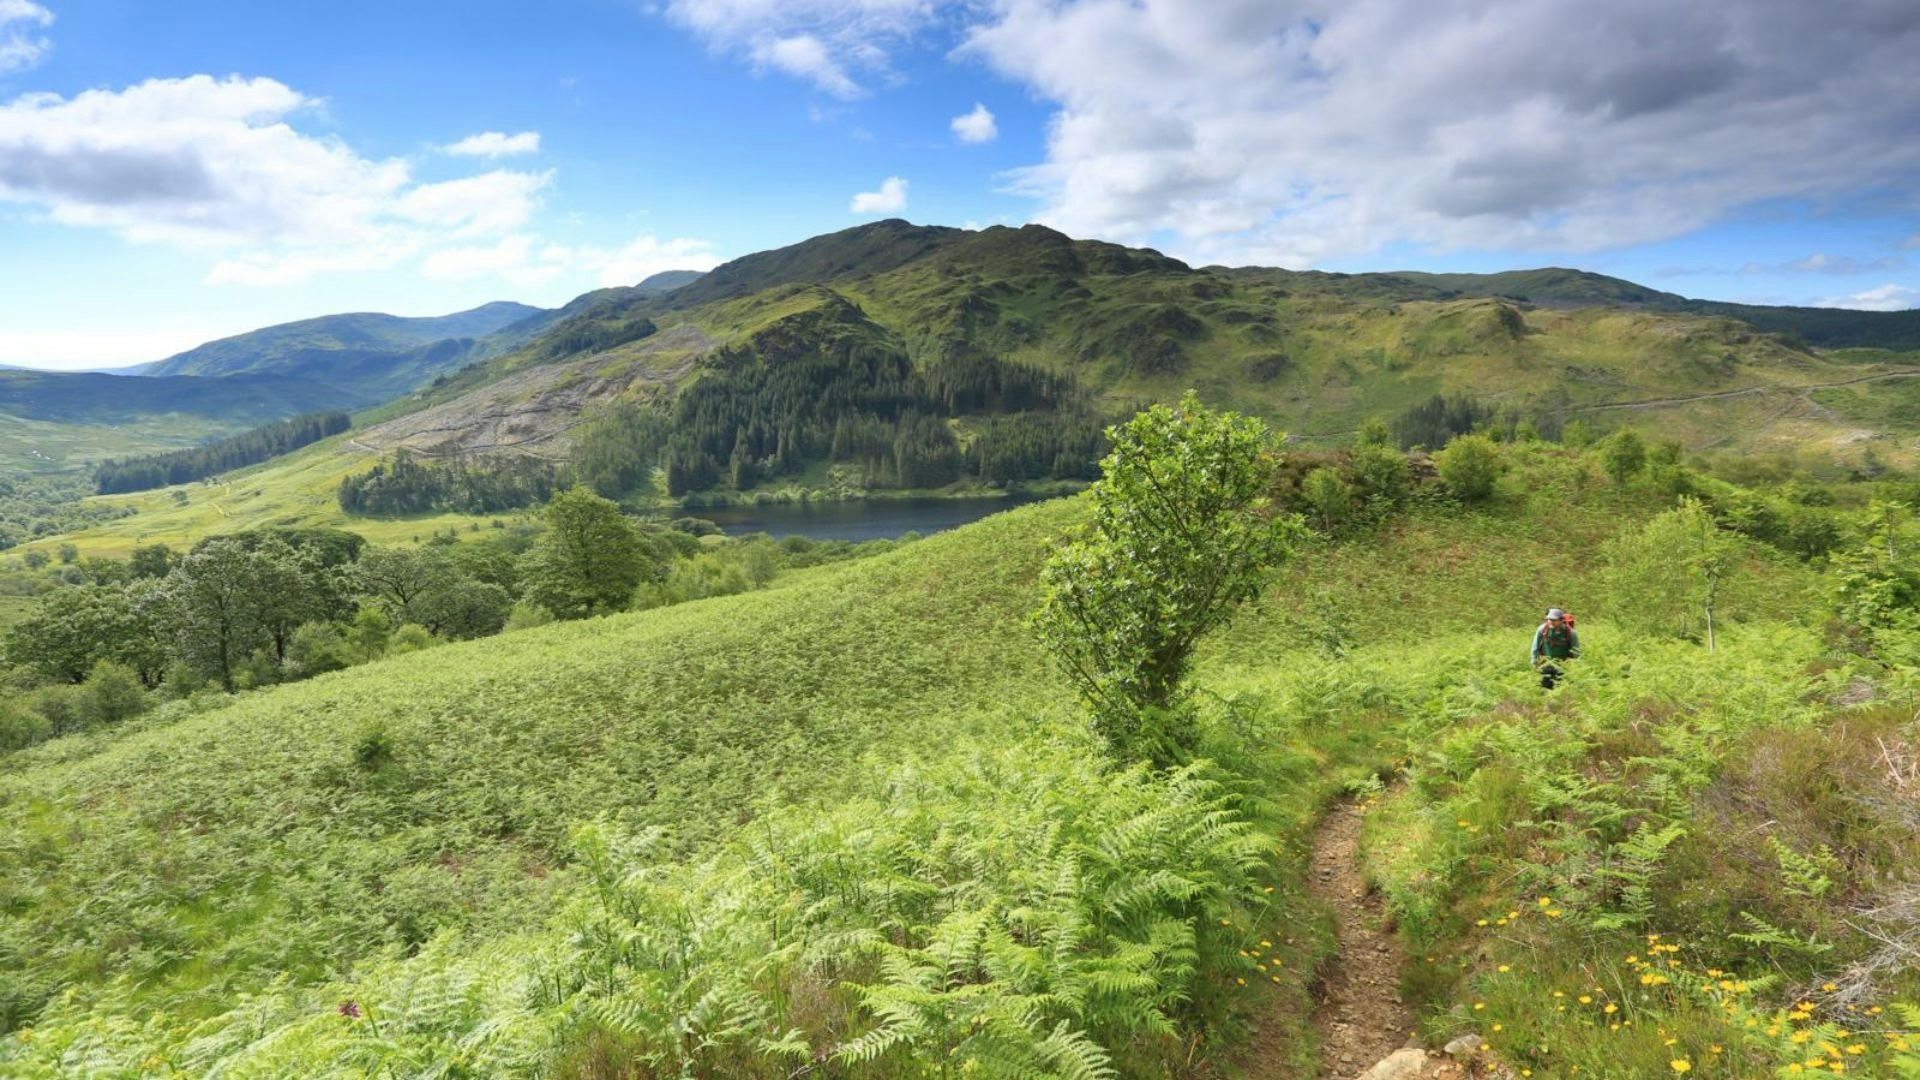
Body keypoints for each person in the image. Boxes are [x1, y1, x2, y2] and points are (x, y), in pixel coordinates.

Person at [1531, 607, 1579, 688]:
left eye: (1554, 620)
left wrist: (1574, 667)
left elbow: (1576, 651)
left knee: (1560, 688)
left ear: (1561, 620)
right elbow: (1535, 647)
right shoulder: (1542, 629)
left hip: (1563, 665)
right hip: (1545, 664)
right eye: (1549, 619)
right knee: (1545, 687)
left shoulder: (1571, 632)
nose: (1550, 622)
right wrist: (1534, 661)